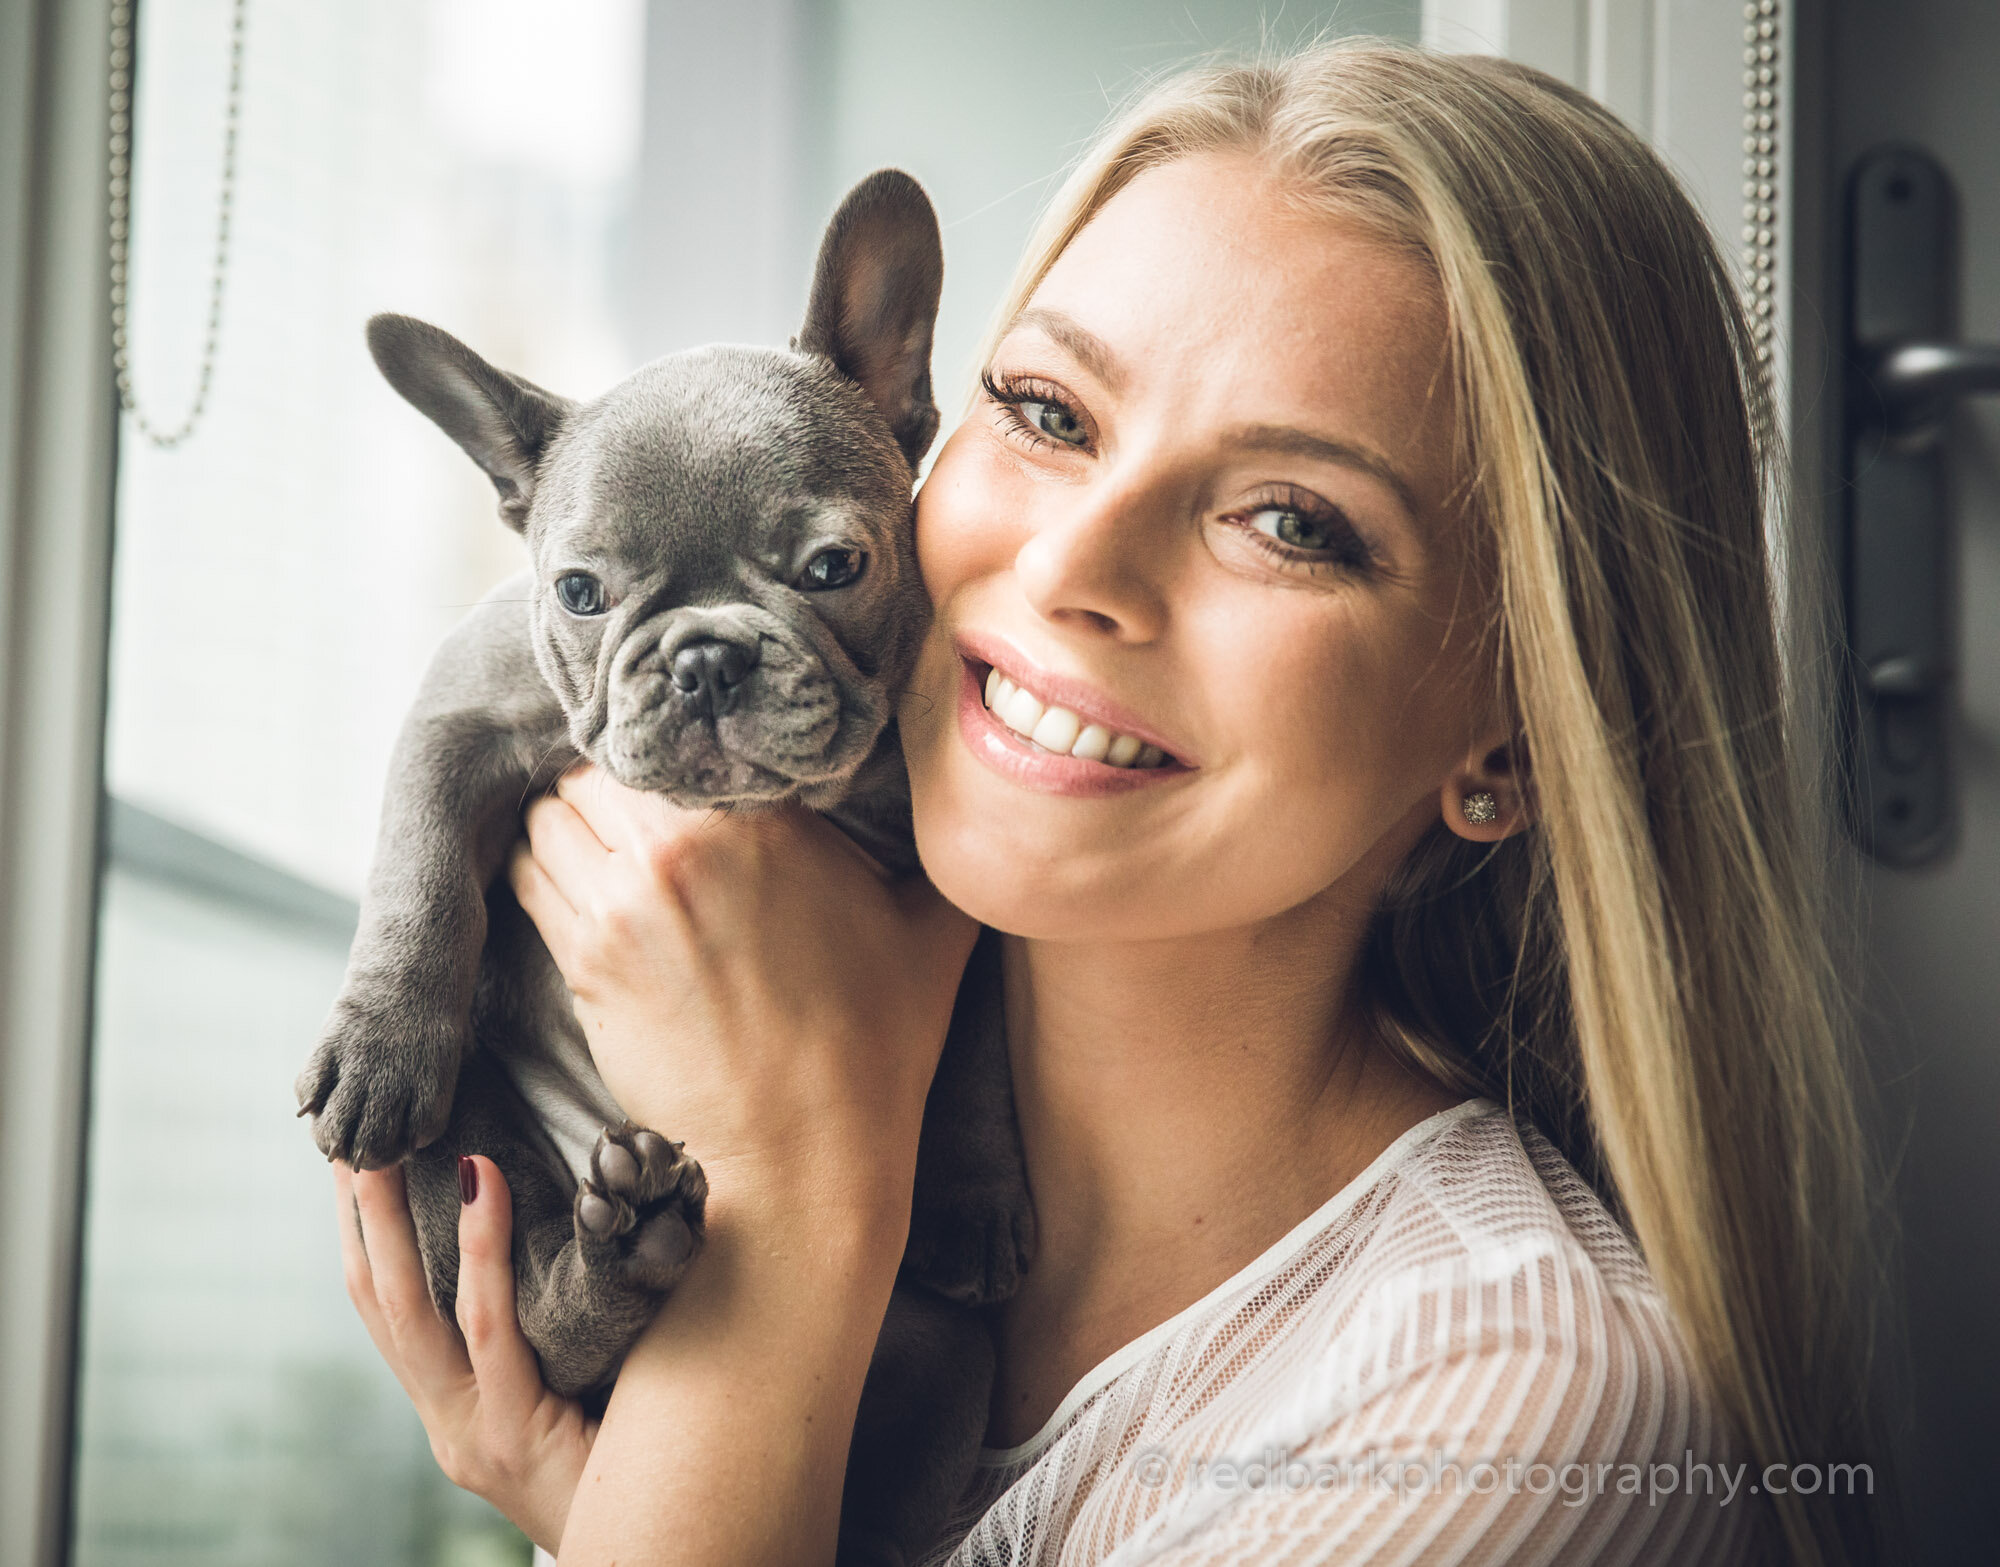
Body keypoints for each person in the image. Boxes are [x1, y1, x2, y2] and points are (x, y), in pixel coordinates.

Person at [333, 41, 1890, 1567]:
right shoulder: (710, 1019)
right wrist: (588, 1491)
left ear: (1513, 739)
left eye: (1293, 520)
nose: (1073, 566)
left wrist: (791, 1197)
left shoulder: (1519, 1407)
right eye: (1051, 413)